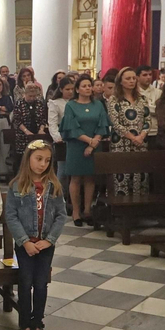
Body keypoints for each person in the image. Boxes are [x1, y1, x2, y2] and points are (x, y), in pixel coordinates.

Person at [4, 140, 66, 330]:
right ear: (28, 158)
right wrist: (24, 241)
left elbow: (60, 216)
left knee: (41, 284)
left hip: (45, 245)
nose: (43, 164)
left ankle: (37, 322)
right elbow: (11, 216)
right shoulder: (16, 185)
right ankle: (25, 323)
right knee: (25, 282)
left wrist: (49, 240)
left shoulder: (54, 186)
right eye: (38, 159)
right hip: (25, 245)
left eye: (47, 160)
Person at [60, 75, 108, 226]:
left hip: (95, 144)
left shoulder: (98, 104)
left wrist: (93, 144)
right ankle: (76, 211)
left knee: (90, 178)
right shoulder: (71, 105)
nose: (88, 88)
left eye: (89, 85)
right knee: (76, 178)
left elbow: (102, 124)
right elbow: (72, 127)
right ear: (77, 89)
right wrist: (89, 141)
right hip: (76, 145)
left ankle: (87, 210)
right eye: (84, 86)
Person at [107, 67, 154, 195]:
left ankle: (139, 207)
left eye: (134, 78)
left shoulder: (142, 99)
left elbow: (148, 120)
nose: (132, 81)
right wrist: (133, 138)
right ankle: (121, 209)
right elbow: (115, 123)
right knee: (123, 176)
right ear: (120, 81)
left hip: (141, 143)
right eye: (128, 78)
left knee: (140, 176)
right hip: (122, 144)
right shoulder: (114, 99)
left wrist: (142, 136)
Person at [10, 81, 50, 171]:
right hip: (23, 136)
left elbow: (43, 118)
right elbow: (17, 120)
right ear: (25, 94)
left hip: (37, 134)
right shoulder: (19, 104)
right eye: (30, 96)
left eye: (34, 96)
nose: (32, 98)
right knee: (22, 158)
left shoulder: (39, 103)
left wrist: (41, 129)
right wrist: (26, 131)